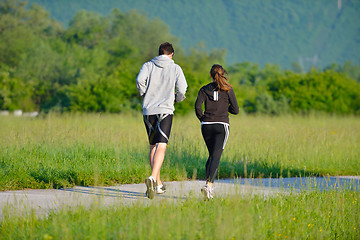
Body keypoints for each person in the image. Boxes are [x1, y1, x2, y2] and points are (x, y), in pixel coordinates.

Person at [136, 42, 188, 199]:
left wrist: (145, 93)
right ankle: (152, 177)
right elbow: (183, 88)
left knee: (153, 146)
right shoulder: (176, 68)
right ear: (171, 54)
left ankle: (157, 184)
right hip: (165, 110)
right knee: (162, 146)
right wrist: (177, 99)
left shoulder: (148, 65)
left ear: (159, 53)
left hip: (148, 110)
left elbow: (139, 80)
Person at [195, 64, 239, 200]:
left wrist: (203, 118)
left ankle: (207, 184)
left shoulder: (204, 89)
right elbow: (236, 110)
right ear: (223, 74)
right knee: (216, 156)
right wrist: (226, 110)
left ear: (210, 75)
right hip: (222, 125)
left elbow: (197, 107)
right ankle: (209, 186)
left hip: (206, 125)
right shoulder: (228, 89)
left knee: (211, 155)